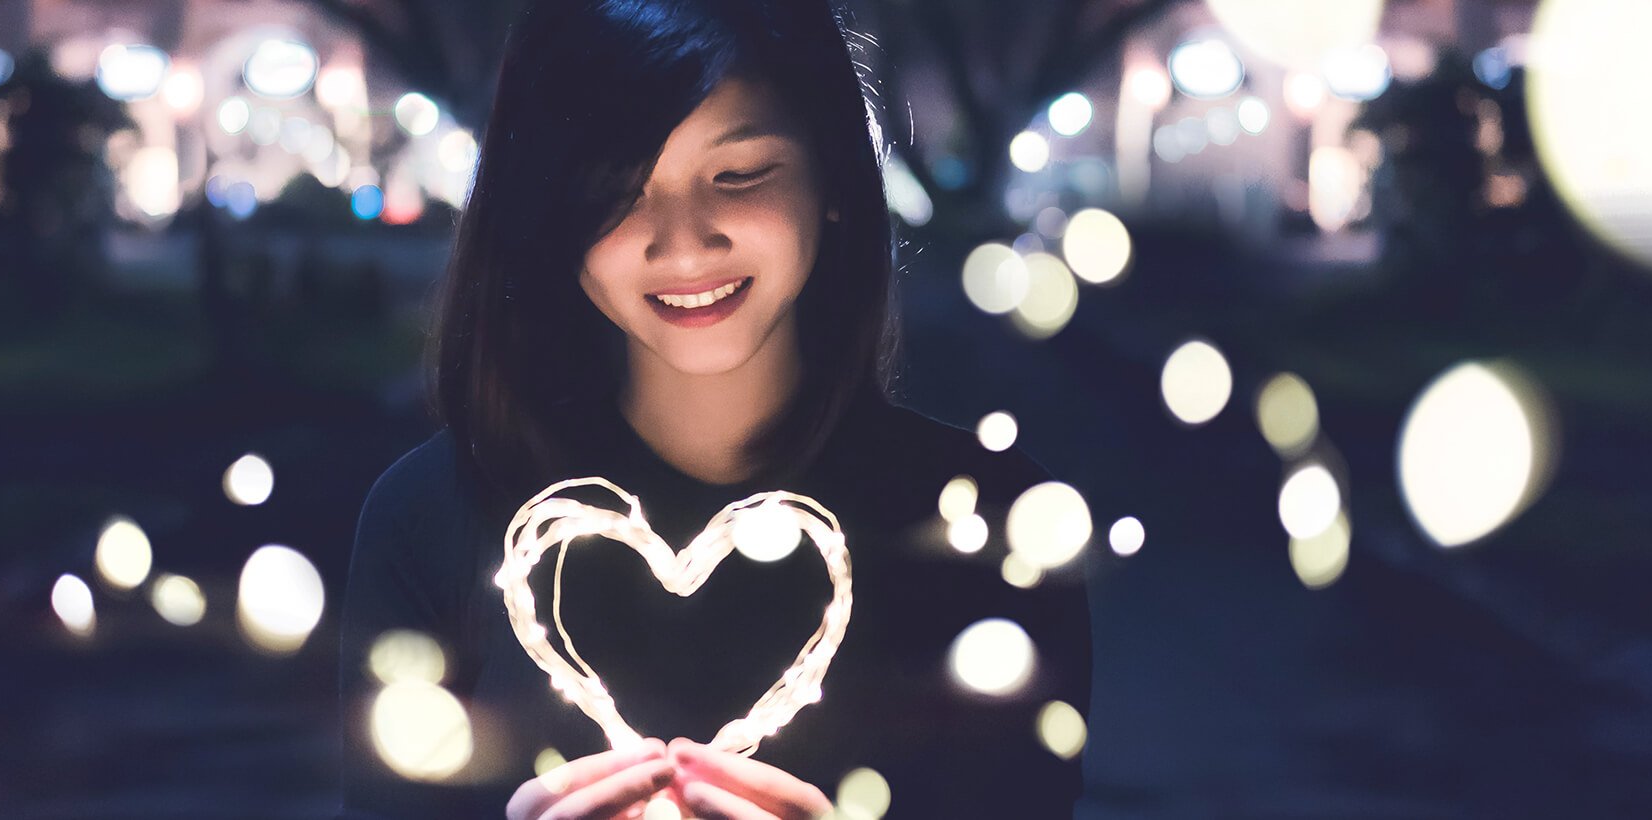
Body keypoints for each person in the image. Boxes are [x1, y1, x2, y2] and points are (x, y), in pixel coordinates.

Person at [337, 0, 1092, 817]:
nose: (683, 241)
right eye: (615, 189)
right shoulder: (433, 518)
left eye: (739, 176)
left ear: (834, 177)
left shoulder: (992, 529)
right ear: (553, 214)